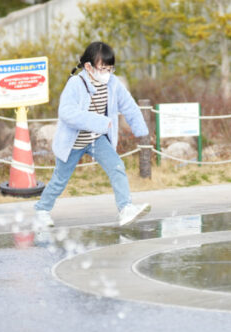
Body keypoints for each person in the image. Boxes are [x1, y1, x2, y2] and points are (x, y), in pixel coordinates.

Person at [34, 42, 151, 229]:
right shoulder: (75, 84)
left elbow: (129, 105)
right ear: (88, 66)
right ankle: (41, 210)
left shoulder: (113, 84)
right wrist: (100, 122)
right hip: (73, 141)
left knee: (117, 167)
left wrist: (141, 131)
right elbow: (66, 112)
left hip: (96, 139)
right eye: (103, 68)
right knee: (60, 180)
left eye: (110, 68)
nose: (107, 73)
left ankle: (126, 208)